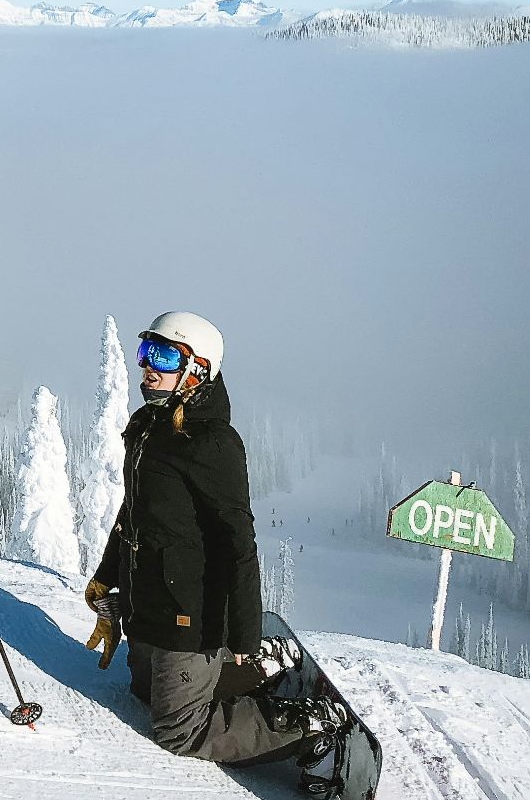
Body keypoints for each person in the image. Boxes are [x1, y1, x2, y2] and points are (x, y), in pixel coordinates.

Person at [86, 311, 346, 765]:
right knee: (143, 692)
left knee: (178, 732)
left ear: (197, 370)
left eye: (165, 356)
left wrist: (243, 637)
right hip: (148, 605)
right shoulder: (148, 426)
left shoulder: (213, 443)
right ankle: (257, 670)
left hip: (191, 616)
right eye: (146, 350)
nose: (148, 366)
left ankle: (303, 721)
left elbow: (238, 545)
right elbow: (134, 514)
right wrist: (106, 578)